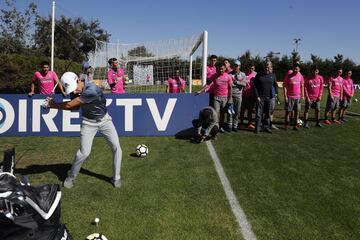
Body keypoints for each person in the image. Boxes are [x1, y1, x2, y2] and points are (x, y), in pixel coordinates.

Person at [45, 71, 122, 189]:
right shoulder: (79, 88)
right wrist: (62, 99)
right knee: (83, 153)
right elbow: (75, 108)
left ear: (78, 81)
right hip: (88, 123)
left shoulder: (92, 90)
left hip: (105, 121)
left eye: (75, 88)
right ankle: (71, 176)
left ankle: (116, 177)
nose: (74, 91)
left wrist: (52, 104)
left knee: (116, 147)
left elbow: (70, 105)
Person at [196, 64, 233, 133]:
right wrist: (200, 91)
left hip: (224, 97)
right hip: (216, 98)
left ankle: (221, 126)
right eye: (220, 69)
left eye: (222, 69)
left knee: (223, 113)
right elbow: (208, 84)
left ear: (225, 69)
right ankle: (216, 127)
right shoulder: (214, 75)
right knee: (216, 113)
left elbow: (230, 88)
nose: (221, 70)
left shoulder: (228, 77)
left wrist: (230, 98)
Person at [253, 61, 278, 134]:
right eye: (266, 66)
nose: (267, 68)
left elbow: (275, 85)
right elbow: (254, 86)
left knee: (267, 114)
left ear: (271, 67)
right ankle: (257, 128)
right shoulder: (259, 75)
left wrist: (276, 93)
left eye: (268, 67)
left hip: (269, 98)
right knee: (258, 114)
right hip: (260, 98)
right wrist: (257, 96)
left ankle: (266, 127)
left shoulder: (273, 75)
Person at [226, 60, 246, 132]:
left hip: (239, 96)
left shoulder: (243, 74)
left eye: (237, 65)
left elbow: (244, 84)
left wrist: (236, 82)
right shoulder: (229, 74)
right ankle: (229, 125)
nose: (236, 67)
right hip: (231, 95)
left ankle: (235, 125)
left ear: (240, 66)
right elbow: (229, 84)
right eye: (235, 65)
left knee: (237, 112)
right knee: (230, 111)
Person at [283, 63, 304, 130]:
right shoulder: (289, 76)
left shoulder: (301, 76)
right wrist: (285, 96)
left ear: (299, 69)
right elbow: (285, 86)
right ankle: (286, 125)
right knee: (288, 111)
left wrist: (302, 95)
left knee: (297, 112)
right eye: (294, 68)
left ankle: (295, 126)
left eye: (297, 69)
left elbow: (302, 86)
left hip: (298, 97)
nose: (295, 70)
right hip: (289, 97)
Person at [240, 64, 257, 129]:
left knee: (250, 110)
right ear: (248, 68)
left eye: (252, 68)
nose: (251, 69)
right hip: (244, 94)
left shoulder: (256, 74)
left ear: (254, 68)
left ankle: (249, 123)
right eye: (250, 68)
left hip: (252, 95)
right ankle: (241, 123)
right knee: (243, 109)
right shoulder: (244, 74)